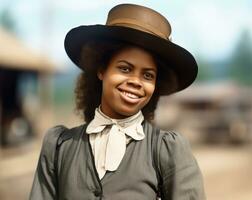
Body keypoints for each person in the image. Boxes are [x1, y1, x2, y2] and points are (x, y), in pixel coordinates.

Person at [29, 3, 205, 200]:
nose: (136, 82)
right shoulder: (59, 147)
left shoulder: (167, 150)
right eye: (125, 69)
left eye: (148, 75)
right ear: (101, 69)